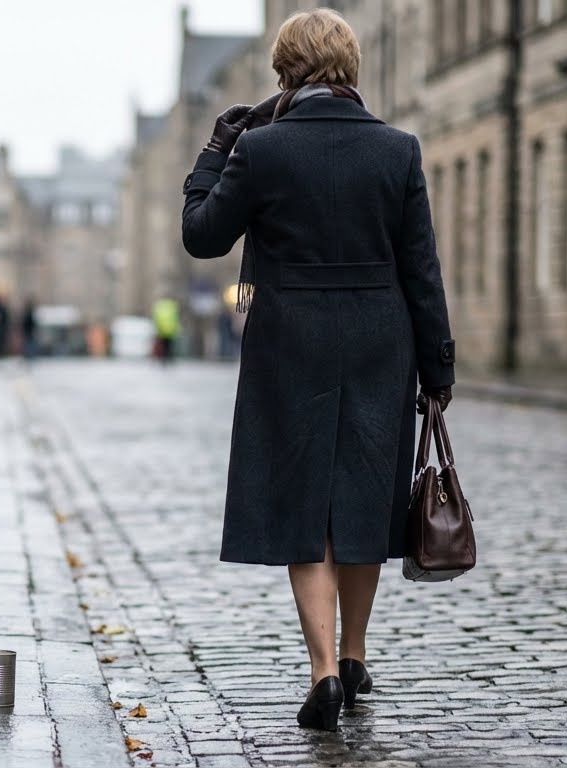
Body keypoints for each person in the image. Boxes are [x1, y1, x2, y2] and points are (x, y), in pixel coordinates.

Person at [180, 8, 455, 731]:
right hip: (378, 336)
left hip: (290, 338)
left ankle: (324, 672)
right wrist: (437, 367)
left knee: (307, 505)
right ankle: (358, 654)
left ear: (284, 71)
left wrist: (217, 149)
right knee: (365, 497)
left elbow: (202, 236)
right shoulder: (398, 149)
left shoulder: (263, 150)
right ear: (350, 67)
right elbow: (420, 268)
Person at [151, 297, 180, 364]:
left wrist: (157, 329)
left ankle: (164, 359)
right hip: (171, 331)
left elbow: (156, 319)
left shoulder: (160, 307)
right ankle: (169, 358)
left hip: (162, 330)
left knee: (163, 346)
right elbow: (176, 319)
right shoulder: (173, 307)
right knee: (170, 346)